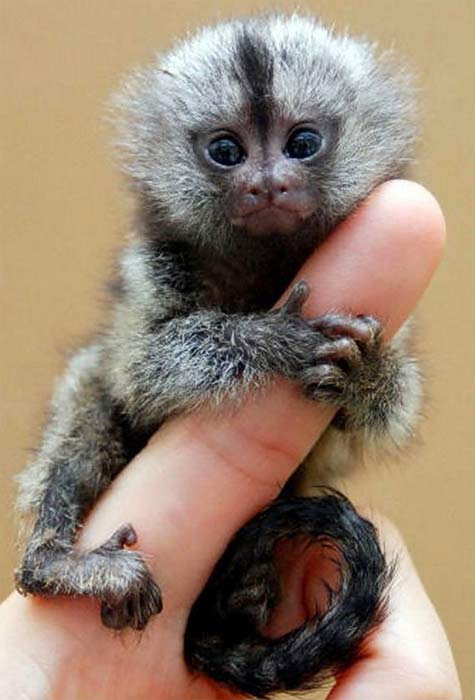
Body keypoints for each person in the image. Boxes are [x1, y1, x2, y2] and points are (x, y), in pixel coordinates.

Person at [0, 181, 461, 700]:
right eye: (226, 152)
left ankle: (235, 609)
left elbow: (385, 425)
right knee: (90, 375)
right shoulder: (169, 255)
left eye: (303, 144)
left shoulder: (356, 286)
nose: (267, 178)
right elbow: (142, 376)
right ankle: (50, 553)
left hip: (247, 542)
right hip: (122, 458)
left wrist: (369, 381)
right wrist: (259, 340)